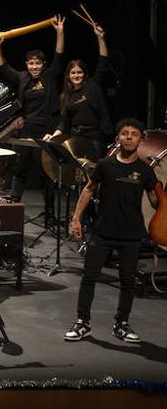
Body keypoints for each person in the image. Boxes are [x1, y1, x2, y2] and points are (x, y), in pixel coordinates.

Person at [65, 118, 157, 343]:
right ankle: (82, 323)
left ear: (140, 140)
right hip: (102, 231)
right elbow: (88, 190)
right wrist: (76, 219)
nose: (128, 137)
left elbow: (156, 201)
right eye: (124, 133)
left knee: (127, 281)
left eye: (133, 134)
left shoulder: (145, 171)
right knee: (89, 278)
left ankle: (121, 324)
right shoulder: (105, 165)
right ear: (118, 138)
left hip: (131, 234)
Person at [0, 17, 65, 199]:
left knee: (47, 169)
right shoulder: (23, 77)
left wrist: (59, 32)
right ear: (27, 65)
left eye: (38, 63)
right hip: (26, 130)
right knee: (20, 167)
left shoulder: (49, 76)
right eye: (31, 63)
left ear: (43, 64)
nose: (34, 66)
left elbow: (59, 55)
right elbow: (3, 67)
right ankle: (14, 201)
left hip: (46, 131)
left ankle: (50, 209)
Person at [46, 23, 111, 158]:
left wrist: (100, 38)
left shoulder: (93, 86)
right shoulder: (66, 96)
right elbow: (64, 123)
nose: (76, 75)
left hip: (94, 137)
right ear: (68, 76)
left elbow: (103, 62)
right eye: (73, 73)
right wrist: (54, 136)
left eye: (79, 72)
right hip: (75, 138)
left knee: (92, 171)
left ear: (84, 74)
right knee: (77, 174)